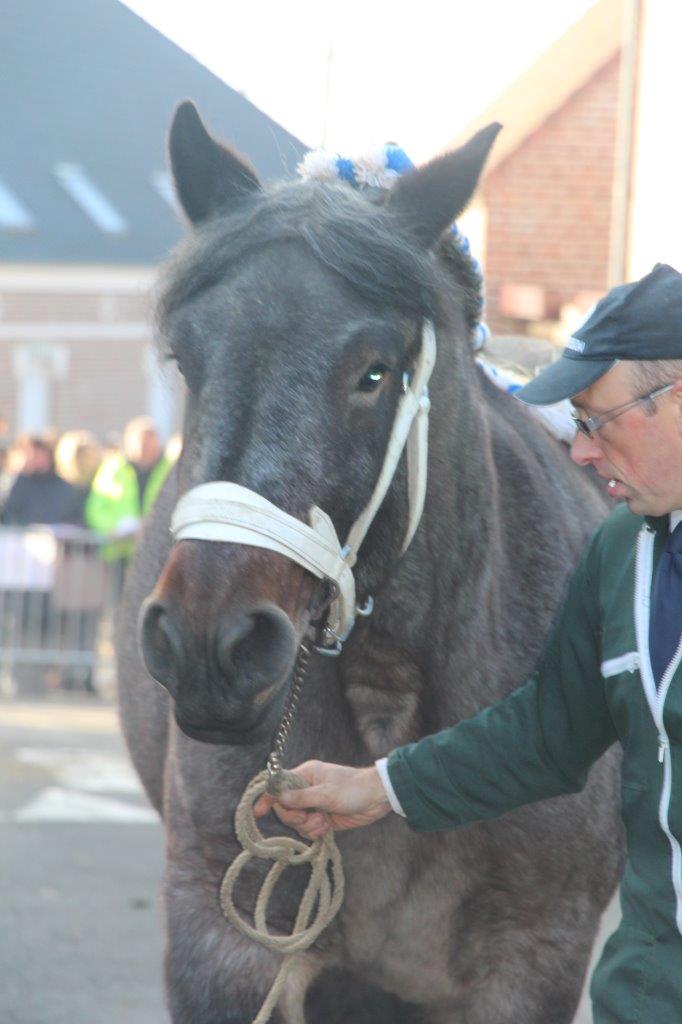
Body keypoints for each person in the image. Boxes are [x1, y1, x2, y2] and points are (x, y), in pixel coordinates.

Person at [256, 263, 682, 1024]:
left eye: (596, 420)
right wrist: (377, 788)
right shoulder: (624, 553)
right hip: (649, 993)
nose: (580, 453)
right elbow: (547, 733)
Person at [84, 416, 171, 566]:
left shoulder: (168, 470)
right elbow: (96, 509)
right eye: (141, 443)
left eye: (149, 443)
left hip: (156, 553)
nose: (144, 449)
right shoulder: (112, 469)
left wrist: (152, 526)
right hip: (119, 553)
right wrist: (113, 529)